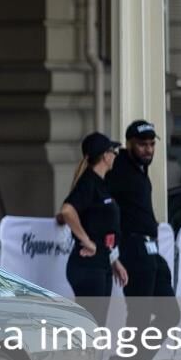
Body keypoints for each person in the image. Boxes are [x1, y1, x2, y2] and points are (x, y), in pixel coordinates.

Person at [106, 119, 179, 360]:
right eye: (142, 144)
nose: (148, 150)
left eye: (151, 145)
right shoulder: (119, 169)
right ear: (129, 144)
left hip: (151, 247)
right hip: (132, 247)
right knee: (138, 315)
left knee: (169, 314)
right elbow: (107, 210)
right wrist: (114, 254)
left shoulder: (139, 170)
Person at [59, 133, 128, 344]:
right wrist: (86, 240)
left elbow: (105, 230)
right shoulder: (89, 182)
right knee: (91, 331)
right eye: (113, 152)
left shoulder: (100, 183)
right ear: (105, 156)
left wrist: (114, 260)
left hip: (101, 264)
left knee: (96, 331)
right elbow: (67, 211)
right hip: (87, 266)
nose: (115, 156)